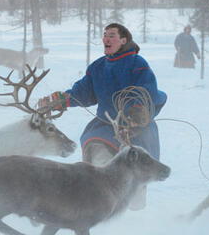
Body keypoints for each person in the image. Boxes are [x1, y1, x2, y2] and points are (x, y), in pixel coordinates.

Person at [38, 23, 167, 210]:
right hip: (105, 126)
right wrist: (60, 100)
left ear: (124, 40)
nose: (106, 38)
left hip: (135, 127)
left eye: (112, 35)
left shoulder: (137, 64)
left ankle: (137, 217)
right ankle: (100, 207)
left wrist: (138, 110)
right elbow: (83, 92)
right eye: (105, 35)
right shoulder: (98, 66)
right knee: (99, 163)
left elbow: (147, 89)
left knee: (136, 177)